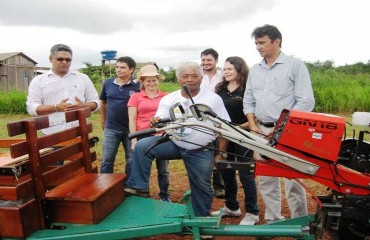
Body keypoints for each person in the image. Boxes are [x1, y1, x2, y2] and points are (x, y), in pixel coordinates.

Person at [125, 61, 230, 217]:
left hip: (201, 149)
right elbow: (160, 118)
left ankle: (201, 220)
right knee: (142, 146)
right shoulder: (170, 98)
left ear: (201, 78)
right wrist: (156, 121)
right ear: (178, 78)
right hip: (174, 143)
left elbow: (223, 128)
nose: (190, 80)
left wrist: (221, 153)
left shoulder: (213, 99)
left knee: (201, 186)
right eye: (185, 76)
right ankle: (139, 187)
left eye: (194, 76)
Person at [243, 24, 315, 223]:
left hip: (289, 132)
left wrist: (283, 128)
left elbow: (306, 101)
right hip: (260, 130)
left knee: (292, 179)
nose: (258, 47)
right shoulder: (255, 70)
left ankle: (300, 221)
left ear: (277, 42)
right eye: (256, 43)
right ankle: (273, 220)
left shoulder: (295, 65)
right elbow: (248, 100)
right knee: (266, 177)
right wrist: (253, 125)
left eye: (262, 42)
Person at [211, 56, 259, 225]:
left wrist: (240, 128)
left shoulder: (247, 89)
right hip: (224, 136)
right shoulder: (220, 89)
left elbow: (255, 115)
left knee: (245, 173)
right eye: (224, 69)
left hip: (243, 136)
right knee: (226, 170)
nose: (226, 72)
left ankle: (252, 212)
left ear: (240, 70)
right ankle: (232, 206)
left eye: (230, 69)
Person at [26, 43, 100, 135]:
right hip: (51, 134)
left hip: (80, 132)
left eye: (68, 60)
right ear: (50, 59)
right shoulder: (39, 81)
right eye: (60, 59)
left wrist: (83, 106)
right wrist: (56, 107)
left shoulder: (82, 78)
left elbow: (96, 102)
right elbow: (31, 107)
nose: (64, 62)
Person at [127, 64, 170, 202]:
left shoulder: (166, 96)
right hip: (143, 134)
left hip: (161, 135)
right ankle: (143, 192)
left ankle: (164, 195)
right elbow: (132, 119)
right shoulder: (135, 97)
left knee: (163, 168)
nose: (151, 83)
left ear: (158, 80)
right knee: (143, 166)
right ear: (143, 82)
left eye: (154, 80)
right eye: (148, 80)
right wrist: (134, 140)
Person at [99, 56, 140, 174]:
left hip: (132, 130)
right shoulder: (108, 83)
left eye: (122, 67)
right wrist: (103, 121)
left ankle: (128, 187)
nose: (118, 70)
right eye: (117, 67)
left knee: (132, 160)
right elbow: (103, 103)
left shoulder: (138, 86)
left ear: (131, 69)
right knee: (107, 160)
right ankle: (106, 187)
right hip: (111, 128)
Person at [200, 48, 225, 198]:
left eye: (209, 60)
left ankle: (219, 186)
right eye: (203, 60)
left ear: (216, 60)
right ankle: (204, 184)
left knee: (220, 151)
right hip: (201, 120)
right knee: (204, 152)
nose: (206, 63)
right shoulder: (197, 76)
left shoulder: (223, 76)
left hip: (219, 117)